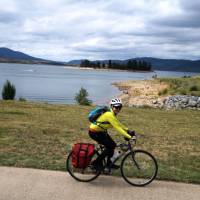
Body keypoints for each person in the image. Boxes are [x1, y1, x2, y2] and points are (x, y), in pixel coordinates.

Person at [88, 98, 135, 170]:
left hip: (100, 132)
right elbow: (117, 128)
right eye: (116, 107)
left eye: (120, 107)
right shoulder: (109, 114)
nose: (118, 109)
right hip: (94, 132)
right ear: (112, 106)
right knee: (110, 146)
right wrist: (129, 136)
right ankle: (95, 163)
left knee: (112, 145)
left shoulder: (112, 114)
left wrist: (128, 130)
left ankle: (108, 163)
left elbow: (118, 123)